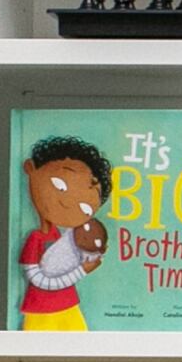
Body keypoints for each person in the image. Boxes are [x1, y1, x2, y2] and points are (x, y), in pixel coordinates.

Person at [16, 135, 111, 331]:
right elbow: (39, 280)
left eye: (85, 208)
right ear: (31, 169)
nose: (68, 204)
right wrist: (82, 270)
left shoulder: (64, 238)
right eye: (60, 186)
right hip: (40, 311)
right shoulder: (35, 239)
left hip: (69, 307)